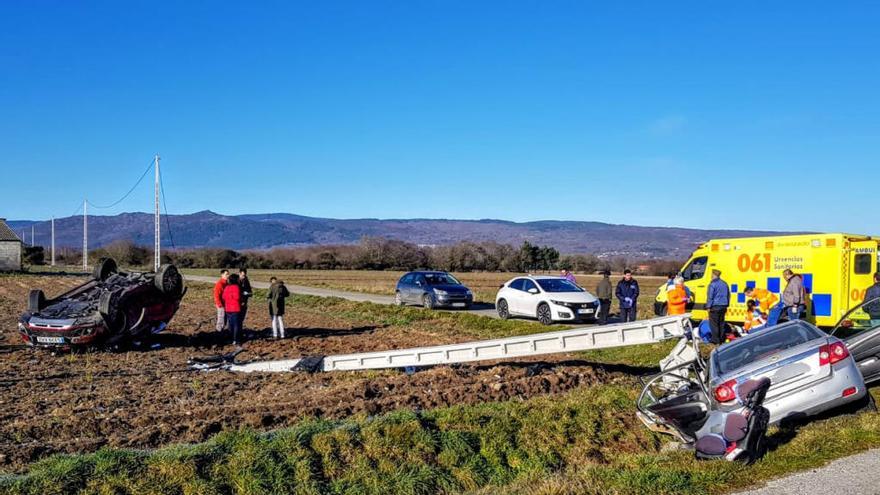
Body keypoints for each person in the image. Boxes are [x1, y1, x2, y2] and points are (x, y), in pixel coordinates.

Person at [706, 269, 730, 345]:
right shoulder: (724, 284)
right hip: (723, 306)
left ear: (713, 275)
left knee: (714, 324)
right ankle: (722, 339)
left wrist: (708, 306)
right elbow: (728, 295)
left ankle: (715, 341)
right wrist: (727, 304)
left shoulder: (712, 284)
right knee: (721, 323)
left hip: (715, 306)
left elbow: (710, 296)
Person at [222, 273, 242, 345]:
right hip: (235, 308)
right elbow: (237, 297)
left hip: (228, 308)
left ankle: (231, 338)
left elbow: (223, 297)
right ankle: (236, 339)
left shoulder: (227, 287)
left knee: (230, 324)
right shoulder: (236, 287)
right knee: (236, 325)